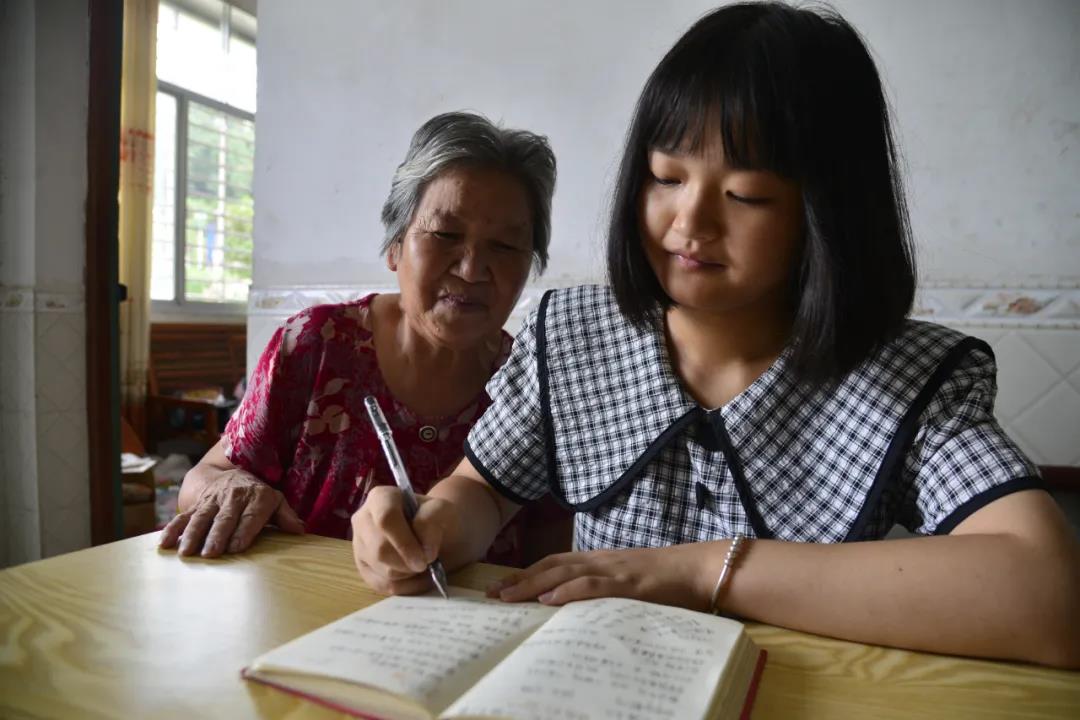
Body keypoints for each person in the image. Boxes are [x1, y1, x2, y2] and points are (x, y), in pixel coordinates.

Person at [349, 3, 1080, 668]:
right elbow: (483, 489)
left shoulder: (907, 378)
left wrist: (705, 570)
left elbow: (1051, 598)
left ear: (829, 212)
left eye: (745, 195)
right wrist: (434, 523)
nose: (688, 224)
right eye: (665, 177)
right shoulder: (570, 333)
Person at [160, 111, 571, 567]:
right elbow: (206, 475)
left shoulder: (535, 385)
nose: (473, 269)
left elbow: (549, 539)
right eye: (445, 234)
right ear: (395, 246)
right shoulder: (315, 346)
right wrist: (228, 485)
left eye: (506, 247)